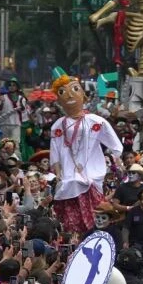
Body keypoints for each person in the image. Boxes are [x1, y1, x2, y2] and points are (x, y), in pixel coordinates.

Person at [48, 69, 124, 233]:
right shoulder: (58, 126)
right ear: (58, 100)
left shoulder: (96, 121)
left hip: (91, 175)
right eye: (62, 92)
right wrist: (59, 172)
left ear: (83, 94)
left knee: (97, 214)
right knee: (70, 217)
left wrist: (113, 160)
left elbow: (115, 146)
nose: (69, 95)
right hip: (69, 176)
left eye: (74, 89)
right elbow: (54, 153)